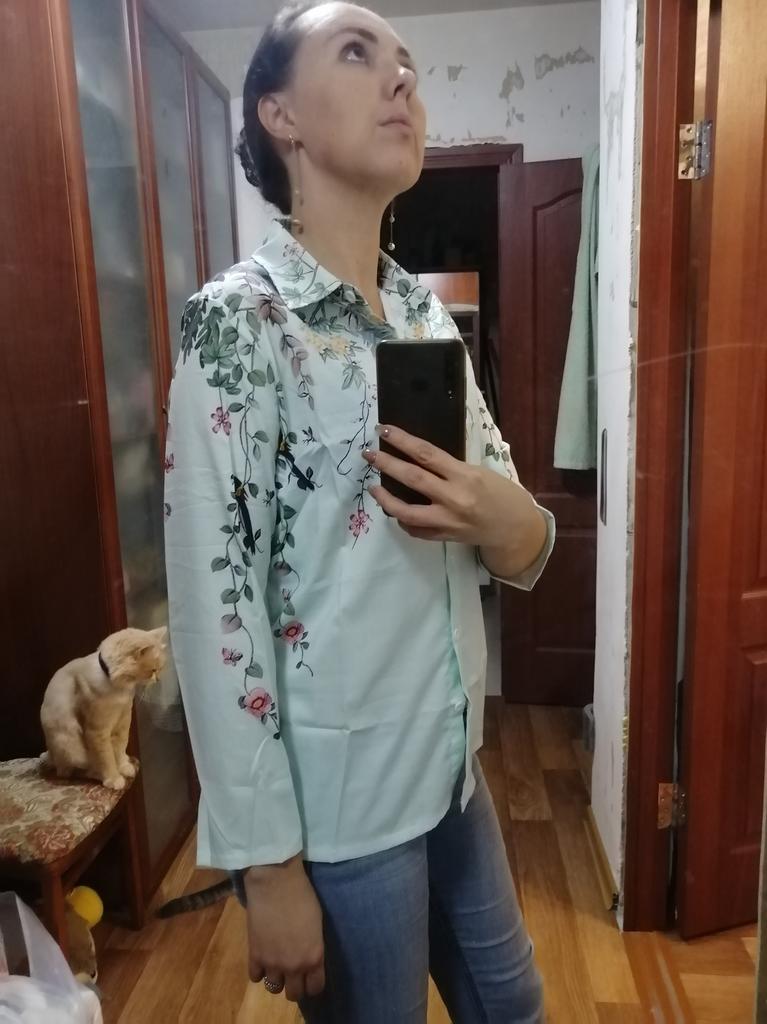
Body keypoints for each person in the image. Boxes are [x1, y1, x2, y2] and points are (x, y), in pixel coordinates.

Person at [164, 2, 554, 1021]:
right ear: (280, 114)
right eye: (356, 52)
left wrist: (494, 512)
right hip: (340, 807)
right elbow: (215, 613)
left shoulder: (424, 315)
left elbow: (521, 544)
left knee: (513, 1005)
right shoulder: (239, 322)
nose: (401, 80)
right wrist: (267, 866)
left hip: (452, 768)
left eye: (407, 61)